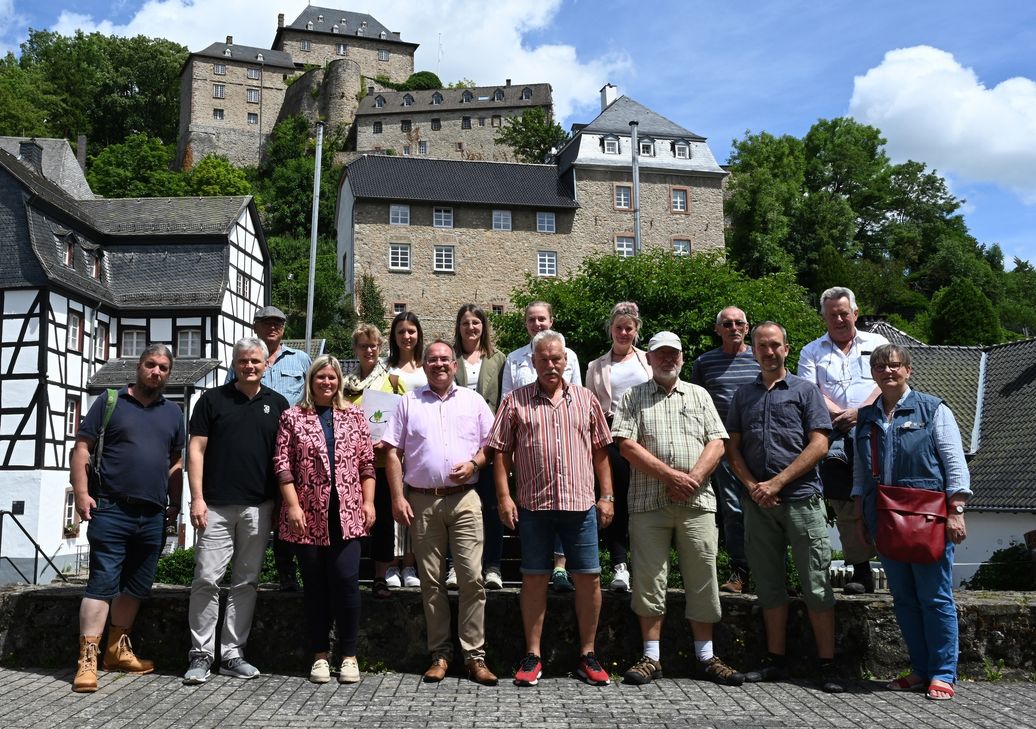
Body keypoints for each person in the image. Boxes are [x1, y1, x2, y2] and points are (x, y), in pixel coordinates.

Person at [612, 331, 745, 687]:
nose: (667, 359)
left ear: (683, 358)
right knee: (648, 580)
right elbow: (625, 445)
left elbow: (717, 442)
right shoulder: (632, 397)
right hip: (648, 503)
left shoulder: (699, 395)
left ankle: (705, 656)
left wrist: (694, 477)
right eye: (660, 354)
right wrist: (671, 475)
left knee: (704, 577)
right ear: (650, 359)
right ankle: (651, 657)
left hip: (698, 502)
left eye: (674, 354)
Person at [489, 330, 615, 687]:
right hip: (534, 504)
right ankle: (533, 655)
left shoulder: (586, 399)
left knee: (589, 578)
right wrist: (503, 497)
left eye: (556, 358)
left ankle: (588, 655)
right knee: (533, 578)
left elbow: (601, 451)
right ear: (532, 362)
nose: (550, 365)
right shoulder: (514, 401)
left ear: (566, 361)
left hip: (580, 504)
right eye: (543, 359)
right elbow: (501, 453)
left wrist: (607, 496)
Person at [725, 322, 843, 694]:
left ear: (786, 349)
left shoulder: (806, 391)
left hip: (802, 500)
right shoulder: (743, 395)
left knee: (816, 582)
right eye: (762, 346)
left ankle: (828, 664)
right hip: (758, 504)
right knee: (769, 585)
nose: (768, 351)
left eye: (775, 345)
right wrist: (752, 487)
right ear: (754, 351)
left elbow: (820, 444)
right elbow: (732, 448)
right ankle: (776, 661)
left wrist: (776, 483)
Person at [852, 344, 971, 701]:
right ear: (873, 373)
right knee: (903, 598)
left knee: (934, 598)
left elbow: (954, 463)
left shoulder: (934, 409)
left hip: (927, 517)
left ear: (908, 370)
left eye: (894, 365)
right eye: (880, 367)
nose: (888, 372)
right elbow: (860, 470)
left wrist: (957, 511)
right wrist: (860, 514)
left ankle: (943, 673)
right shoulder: (866, 416)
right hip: (883, 517)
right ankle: (920, 670)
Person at [69, 344, 185, 693]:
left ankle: (117, 651)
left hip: (152, 514)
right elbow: (82, 449)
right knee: (102, 582)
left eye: (163, 367)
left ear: (169, 373)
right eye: (151, 365)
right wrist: (80, 492)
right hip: (112, 507)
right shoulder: (109, 402)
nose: (156, 372)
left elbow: (175, 463)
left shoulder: (174, 413)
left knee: (137, 584)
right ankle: (87, 660)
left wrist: (176, 504)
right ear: (139, 366)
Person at [383, 340, 499, 685]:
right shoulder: (408, 402)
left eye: (444, 359)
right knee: (431, 581)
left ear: (454, 364)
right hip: (422, 499)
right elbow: (390, 451)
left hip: (465, 499)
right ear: (425, 366)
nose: (438, 365)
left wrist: (476, 462)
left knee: (472, 579)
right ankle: (441, 654)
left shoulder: (473, 400)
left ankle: (475, 657)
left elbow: (491, 445)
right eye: (432, 360)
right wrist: (396, 496)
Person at [183, 338, 290, 684]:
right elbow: (195, 450)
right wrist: (196, 498)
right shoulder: (212, 400)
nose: (249, 366)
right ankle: (201, 654)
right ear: (235, 363)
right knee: (206, 579)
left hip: (260, 507)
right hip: (214, 505)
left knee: (246, 582)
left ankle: (231, 654)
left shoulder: (279, 404)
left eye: (255, 361)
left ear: (265, 365)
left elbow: (284, 460)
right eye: (243, 361)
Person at [273, 355, 376, 684]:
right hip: (308, 514)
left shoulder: (354, 415)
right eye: (321, 378)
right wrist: (292, 506)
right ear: (311, 380)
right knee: (315, 588)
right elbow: (282, 464)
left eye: (332, 378)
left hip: (347, 512)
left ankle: (348, 655)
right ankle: (319, 655)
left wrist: (370, 502)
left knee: (347, 583)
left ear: (339, 381)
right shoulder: (292, 417)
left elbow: (366, 464)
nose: (327, 383)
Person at [798, 286, 888, 594]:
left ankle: (896, 565)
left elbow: (887, 379)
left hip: (876, 427)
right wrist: (842, 414)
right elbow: (810, 391)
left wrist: (859, 412)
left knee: (885, 495)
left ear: (856, 313)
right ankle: (861, 570)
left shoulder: (877, 343)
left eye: (844, 313)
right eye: (832, 315)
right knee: (845, 500)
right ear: (823, 317)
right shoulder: (811, 351)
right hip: (834, 431)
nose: (839, 319)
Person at [228, 305, 313, 592]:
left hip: (293, 449)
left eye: (277, 323)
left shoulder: (301, 359)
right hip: (258, 447)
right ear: (256, 327)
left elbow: (312, 399)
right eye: (266, 323)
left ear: (284, 328)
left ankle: (290, 572)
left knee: (291, 509)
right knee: (262, 512)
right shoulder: (245, 359)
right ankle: (251, 572)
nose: (272, 327)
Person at [501, 301, 582, 592]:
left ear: (552, 320)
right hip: (529, 442)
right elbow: (507, 399)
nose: (538, 324)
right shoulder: (514, 358)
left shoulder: (568, 354)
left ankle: (560, 567)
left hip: (564, 444)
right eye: (532, 320)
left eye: (542, 319)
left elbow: (577, 397)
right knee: (534, 504)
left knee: (564, 498)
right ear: (526, 324)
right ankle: (536, 566)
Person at [690, 306, 761, 594]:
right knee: (732, 510)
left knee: (766, 506)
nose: (733, 327)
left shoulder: (761, 358)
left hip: (761, 445)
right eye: (727, 323)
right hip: (722, 447)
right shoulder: (705, 363)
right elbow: (694, 404)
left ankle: (771, 570)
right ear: (717, 329)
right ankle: (739, 571)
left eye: (739, 323)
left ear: (747, 328)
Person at [585, 301, 651, 592]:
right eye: (618, 328)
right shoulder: (596, 366)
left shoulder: (649, 360)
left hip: (647, 437)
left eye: (629, 328)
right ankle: (620, 565)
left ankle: (647, 564)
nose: (623, 333)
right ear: (610, 330)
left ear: (636, 331)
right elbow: (591, 407)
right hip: (612, 437)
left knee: (646, 501)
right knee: (615, 499)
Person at [342, 324, 406, 598]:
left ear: (380, 348)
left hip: (380, 463)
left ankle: (380, 576)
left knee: (379, 520)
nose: (369, 350)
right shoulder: (345, 384)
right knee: (349, 521)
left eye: (374, 346)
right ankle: (350, 574)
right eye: (363, 345)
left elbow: (404, 420)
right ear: (355, 349)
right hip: (350, 466)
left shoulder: (391, 381)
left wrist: (388, 440)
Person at [450, 304, 507, 590]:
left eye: (475, 323)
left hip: (489, 443)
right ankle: (455, 567)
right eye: (465, 323)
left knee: (490, 506)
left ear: (483, 326)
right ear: (458, 327)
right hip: (457, 440)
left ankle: (493, 566)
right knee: (456, 505)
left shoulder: (498, 359)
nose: (470, 328)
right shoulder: (451, 358)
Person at [384, 311, 425, 587]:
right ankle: (391, 565)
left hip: (419, 445)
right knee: (392, 503)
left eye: (411, 331)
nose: (406, 336)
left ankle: (410, 564)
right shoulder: (385, 367)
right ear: (394, 336)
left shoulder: (426, 368)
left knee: (414, 506)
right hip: (391, 445)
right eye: (401, 332)